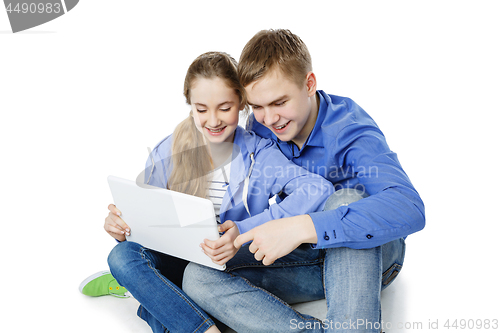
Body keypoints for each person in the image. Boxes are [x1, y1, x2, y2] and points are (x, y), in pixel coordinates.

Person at [182, 29, 426, 332]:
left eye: (279, 102)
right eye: (257, 106)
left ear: (309, 85)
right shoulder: (259, 130)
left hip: (369, 256)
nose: (269, 119)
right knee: (198, 276)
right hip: (304, 260)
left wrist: (303, 226)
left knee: (345, 198)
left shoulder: (350, 130)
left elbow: (409, 207)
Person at [81, 51, 334, 333]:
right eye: (202, 109)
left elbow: (316, 189)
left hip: (222, 265)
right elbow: (144, 220)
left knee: (167, 306)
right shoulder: (169, 150)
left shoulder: (259, 154)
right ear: (190, 106)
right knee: (121, 257)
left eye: (224, 108)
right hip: (175, 258)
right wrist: (121, 226)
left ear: (241, 103)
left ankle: (149, 296)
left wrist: (243, 228)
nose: (213, 121)